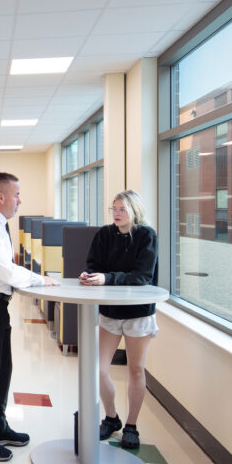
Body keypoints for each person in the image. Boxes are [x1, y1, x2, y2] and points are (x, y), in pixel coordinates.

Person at [0, 172, 56, 461]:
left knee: (3, 369)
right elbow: (5, 271)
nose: (20, 200)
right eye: (16, 195)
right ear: (1, 197)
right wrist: (41, 280)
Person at [79, 189, 158, 450]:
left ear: (134, 210)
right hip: (111, 312)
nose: (116, 213)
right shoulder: (104, 234)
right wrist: (89, 275)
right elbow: (94, 264)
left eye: (122, 209)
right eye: (113, 209)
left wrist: (108, 277)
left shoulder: (146, 236)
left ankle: (132, 426)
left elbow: (142, 276)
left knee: (135, 370)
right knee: (99, 369)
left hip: (138, 313)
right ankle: (111, 417)